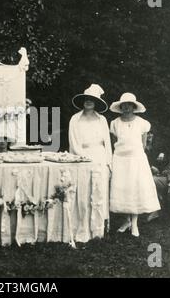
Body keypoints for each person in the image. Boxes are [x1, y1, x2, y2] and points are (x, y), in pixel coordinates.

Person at [109, 92, 160, 237]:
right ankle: (126, 221)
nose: (126, 108)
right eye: (123, 105)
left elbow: (143, 144)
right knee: (123, 190)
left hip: (136, 160)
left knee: (135, 190)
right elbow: (115, 142)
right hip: (120, 160)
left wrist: (134, 155)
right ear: (120, 107)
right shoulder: (115, 123)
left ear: (133, 107)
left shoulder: (142, 123)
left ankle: (135, 224)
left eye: (129, 105)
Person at [69, 84, 112, 238]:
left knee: (99, 191)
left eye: (92, 100)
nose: (88, 102)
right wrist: (81, 156)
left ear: (97, 103)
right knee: (83, 191)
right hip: (82, 157)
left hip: (99, 157)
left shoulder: (102, 120)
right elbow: (73, 141)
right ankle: (82, 227)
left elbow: (107, 143)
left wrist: (109, 164)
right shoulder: (75, 119)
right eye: (86, 99)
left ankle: (98, 229)